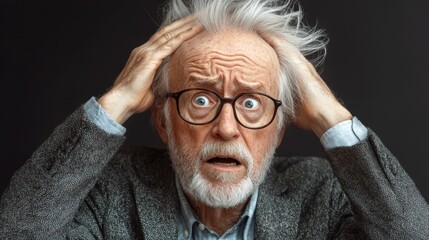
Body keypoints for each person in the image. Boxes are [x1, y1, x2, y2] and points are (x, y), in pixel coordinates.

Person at [0, 0, 428, 239]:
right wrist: (116, 102)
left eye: (251, 103)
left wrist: (330, 116)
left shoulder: (323, 196)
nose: (226, 129)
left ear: (279, 129)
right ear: (164, 122)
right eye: (201, 100)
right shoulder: (110, 191)